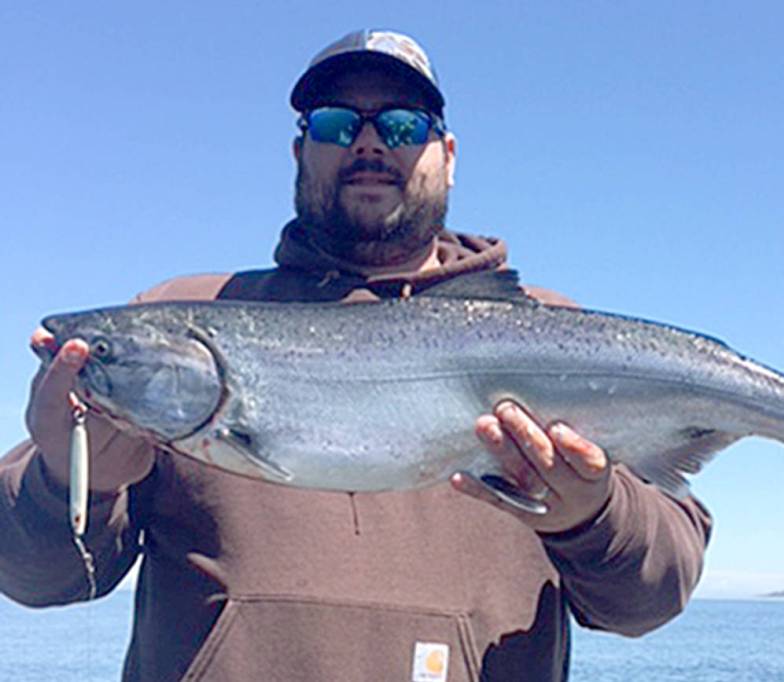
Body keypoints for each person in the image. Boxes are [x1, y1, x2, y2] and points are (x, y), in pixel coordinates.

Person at [0, 29, 711, 681]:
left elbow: (649, 600)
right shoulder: (182, 309)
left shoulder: (552, 334)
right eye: (336, 124)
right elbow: (33, 577)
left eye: (402, 125)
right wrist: (70, 482)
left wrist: (592, 515)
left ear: (448, 156)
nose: (368, 144)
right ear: (299, 152)